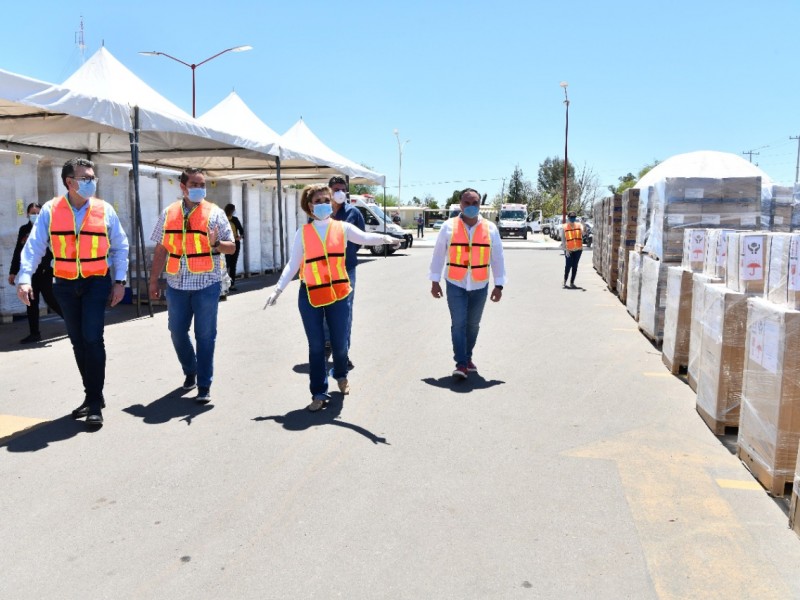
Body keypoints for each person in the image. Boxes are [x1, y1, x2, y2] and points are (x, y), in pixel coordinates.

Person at [16, 158, 129, 428]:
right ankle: (93, 395)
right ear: (70, 182)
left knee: (92, 338)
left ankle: (93, 401)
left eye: (92, 177)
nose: (92, 182)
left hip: (96, 282)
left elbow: (120, 246)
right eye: (86, 178)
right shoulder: (51, 210)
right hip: (64, 284)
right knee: (78, 341)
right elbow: (34, 246)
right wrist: (24, 278)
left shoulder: (104, 209)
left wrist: (120, 281)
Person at [264, 183, 398, 411]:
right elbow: (293, 264)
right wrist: (277, 289)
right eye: (318, 201)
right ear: (309, 206)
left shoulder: (343, 227)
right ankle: (318, 392)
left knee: (340, 343)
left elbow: (365, 237)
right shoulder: (303, 233)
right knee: (316, 346)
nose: (324, 204)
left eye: (327, 200)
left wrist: (385, 238)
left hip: (338, 294)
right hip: (310, 294)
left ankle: (341, 374)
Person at [148, 168, 235, 404]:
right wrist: (154, 279)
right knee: (176, 331)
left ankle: (204, 384)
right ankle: (191, 369)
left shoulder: (215, 213)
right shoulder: (169, 213)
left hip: (207, 282)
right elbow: (161, 249)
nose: (200, 188)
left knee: (205, 335)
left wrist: (217, 243)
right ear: (183, 187)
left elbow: (231, 246)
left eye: (202, 184)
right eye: (195, 184)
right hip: (177, 283)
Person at [429, 188, 506, 379]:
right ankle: (461, 363)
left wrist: (499, 284)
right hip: (455, 282)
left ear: (480, 204)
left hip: (480, 284)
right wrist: (434, 280)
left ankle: (467, 357)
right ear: (460, 204)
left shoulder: (491, 228)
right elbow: (438, 254)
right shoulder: (448, 226)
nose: (471, 207)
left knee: (473, 325)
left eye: (475, 203)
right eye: (467, 203)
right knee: (458, 323)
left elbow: (497, 258)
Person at [8, 202, 63, 343]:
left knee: (51, 299)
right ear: (27, 214)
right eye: (33, 213)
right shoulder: (24, 230)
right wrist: (13, 272)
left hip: (45, 272)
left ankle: (73, 321)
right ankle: (34, 333)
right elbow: (18, 251)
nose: (35, 215)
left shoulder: (48, 228)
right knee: (31, 303)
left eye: (38, 213)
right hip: (31, 274)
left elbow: (54, 251)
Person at [327, 175, 366, 371]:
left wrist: (347, 252)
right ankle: (327, 345)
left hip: (346, 268)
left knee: (345, 311)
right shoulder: (320, 211)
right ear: (329, 190)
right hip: (324, 270)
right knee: (324, 306)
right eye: (336, 189)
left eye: (343, 189)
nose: (340, 192)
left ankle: (343, 353)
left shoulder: (354, 213)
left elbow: (360, 238)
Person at [224, 203, 244, 291]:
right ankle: (225, 284)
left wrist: (240, 237)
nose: (234, 212)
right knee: (226, 264)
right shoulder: (223, 219)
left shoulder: (235, 219)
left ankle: (232, 284)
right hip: (225, 244)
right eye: (233, 210)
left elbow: (242, 230)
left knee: (233, 264)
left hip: (235, 243)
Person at [561, 211, 584, 289]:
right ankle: (565, 280)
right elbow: (563, 240)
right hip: (569, 250)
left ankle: (572, 282)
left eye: (574, 217)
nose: (573, 219)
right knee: (568, 266)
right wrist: (565, 249)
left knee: (575, 266)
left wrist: (583, 224)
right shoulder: (564, 227)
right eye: (571, 217)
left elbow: (583, 232)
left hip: (578, 250)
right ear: (568, 218)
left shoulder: (579, 225)